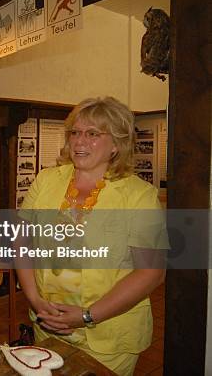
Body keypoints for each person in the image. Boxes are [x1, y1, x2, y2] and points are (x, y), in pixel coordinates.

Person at [16, 97, 168, 375]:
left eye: (92, 133)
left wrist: (87, 316)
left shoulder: (139, 196)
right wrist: (36, 301)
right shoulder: (46, 180)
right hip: (47, 324)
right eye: (75, 132)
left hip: (109, 337)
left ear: (116, 144)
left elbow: (151, 273)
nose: (79, 141)